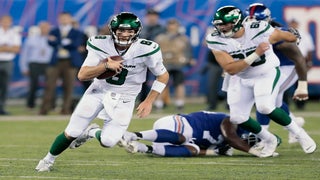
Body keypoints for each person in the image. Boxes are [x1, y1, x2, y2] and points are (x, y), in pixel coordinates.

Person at [35, 12, 169, 172]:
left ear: (136, 32)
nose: (125, 34)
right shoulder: (100, 43)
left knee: (108, 142)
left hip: (126, 96)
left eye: (129, 31)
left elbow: (163, 75)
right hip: (99, 90)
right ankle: (47, 160)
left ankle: (92, 132)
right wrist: (105, 66)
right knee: (72, 131)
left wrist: (148, 101)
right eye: (120, 30)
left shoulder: (147, 48)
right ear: (113, 30)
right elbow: (82, 75)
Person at [206, 6, 316, 157]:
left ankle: (300, 133)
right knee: (237, 117)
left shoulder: (257, 29)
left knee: (265, 107)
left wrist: (292, 36)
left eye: (225, 24)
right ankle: (270, 140)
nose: (222, 28)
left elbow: (286, 37)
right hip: (240, 76)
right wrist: (256, 54)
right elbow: (231, 69)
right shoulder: (215, 39)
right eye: (219, 24)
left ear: (237, 22)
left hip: (265, 72)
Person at [245, 3, 309, 144]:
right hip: (269, 69)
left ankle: (262, 137)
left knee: (264, 96)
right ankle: (294, 124)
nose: (252, 26)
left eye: (255, 22)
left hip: (287, 67)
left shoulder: (277, 36)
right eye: (249, 21)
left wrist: (302, 85)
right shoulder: (245, 33)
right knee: (275, 103)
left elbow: (299, 58)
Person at [119, 111, 267, 157]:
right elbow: (231, 137)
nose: (248, 141)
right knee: (184, 137)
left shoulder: (227, 144)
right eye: (250, 141)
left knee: (193, 150)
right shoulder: (232, 120)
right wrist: (253, 151)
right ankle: (132, 135)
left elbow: (199, 150)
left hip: (170, 137)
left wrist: (212, 152)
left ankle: (141, 148)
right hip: (177, 123)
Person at [39, 12, 83, 115]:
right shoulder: (54, 31)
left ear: (70, 19)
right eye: (62, 18)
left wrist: (59, 42)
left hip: (70, 62)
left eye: (66, 18)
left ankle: (65, 109)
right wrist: (65, 42)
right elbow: (50, 42)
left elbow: (76, 44)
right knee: (49, 85)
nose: (64, 20)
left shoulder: (76, 32)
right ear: (59, 19)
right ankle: (44, 109)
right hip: (56, 61)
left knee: (68, 86)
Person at [154, 18, 194, 111]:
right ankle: (159, 104)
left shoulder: (184, 38)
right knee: (161, 84)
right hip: (164, 64)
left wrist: (189, 59)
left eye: (174, 24)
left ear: (178, 26)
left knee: (179, 84)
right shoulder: (160, 37)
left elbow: (188, 51)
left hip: (178, 64)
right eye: (170, 24)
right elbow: (154, 50)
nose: (172, 27)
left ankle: (180, 104)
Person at [19, 21, 53, 109]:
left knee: (50, 85)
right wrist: (24, 67)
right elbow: (24, 54)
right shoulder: (31, 39)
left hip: (48, 63)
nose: (44, 29)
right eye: (42, 27)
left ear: (49, 28)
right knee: (33, 85)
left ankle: (50, 105)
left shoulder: (52, 39)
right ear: (39, 28)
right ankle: (30, 105)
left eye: (46, 27)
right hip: (34, 63)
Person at [138, 9, 166, 104]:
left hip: (158, 57)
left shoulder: (162, 29)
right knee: (142, 79)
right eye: (150, 15)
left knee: (160, 77)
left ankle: (159, 101)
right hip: (143, 57)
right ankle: (142, 100)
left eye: (154, 15)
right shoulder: (141, 28)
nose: (152, 17)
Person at [288, 19, 315, 110]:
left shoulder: (305, 34)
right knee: (284, 83)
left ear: (298, 23)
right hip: (287, 61)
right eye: (292, 22)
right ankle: (283, 103)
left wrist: (309, 62)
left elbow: (309, 49)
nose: (293, 24)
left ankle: (301, 105)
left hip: (300, 60)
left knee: (301, 82)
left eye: (294, 22)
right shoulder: (285, 33)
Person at [0, 15, 22, 115]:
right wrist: (9, 48)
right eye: (4, 21)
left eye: (7, 21)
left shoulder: (14, 33)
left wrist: (3, 48)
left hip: (7, 62)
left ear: (11, 22)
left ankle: (1, 107)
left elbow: (17, 49)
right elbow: (13, 48)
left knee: (4, 86)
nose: (5, 23)